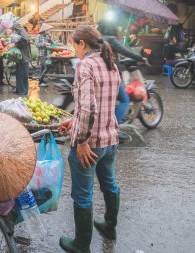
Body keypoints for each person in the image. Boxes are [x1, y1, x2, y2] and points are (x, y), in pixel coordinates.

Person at [59, 25, 121, 253]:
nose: (74, 50)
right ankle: (110, 226)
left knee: (83, 195)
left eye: (74, 45)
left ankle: (81, 245)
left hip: (90, 144)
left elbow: (87, 108)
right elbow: (104, 105)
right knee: (109, 184)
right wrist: (74, 122)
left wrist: (82, 141)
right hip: (110, 139)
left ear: (82, 43)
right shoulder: (110, 63)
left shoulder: (86, 65)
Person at [97, 20, 147, 142]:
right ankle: (114, 130)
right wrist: (140, 57)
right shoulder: (111, 39)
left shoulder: (98, 39)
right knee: (124, 100)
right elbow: (125, 51)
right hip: (111, 76)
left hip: (100, 75)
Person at [13, 22, 31, 95]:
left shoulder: (21, 31)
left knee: (23, 74)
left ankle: (23, 90)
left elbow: (24, 40)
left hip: (24, 57)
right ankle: (19, 89)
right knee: (19, 74)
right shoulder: (18, 31)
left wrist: (16, 44)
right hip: (20, 57)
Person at [35, 23, 54, 87]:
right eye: (48, 30)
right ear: (45, 30)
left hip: (47, 54)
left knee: (42, 68)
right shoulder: (38, 36)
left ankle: (41, 80)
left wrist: (50, 37)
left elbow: (52, 43)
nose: (49, 31)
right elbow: (37, 44)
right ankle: (40, 80)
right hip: (41, 54)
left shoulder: (47, 36)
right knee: (47, 67)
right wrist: (44, 43)